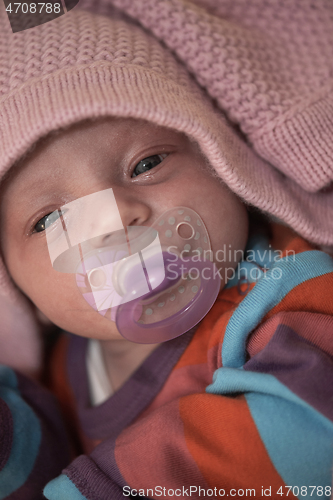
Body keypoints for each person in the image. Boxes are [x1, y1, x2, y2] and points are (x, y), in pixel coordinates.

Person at [0, 0, 332, 498]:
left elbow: (312, 429)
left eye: (146, 163)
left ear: (224, 163)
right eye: (51, 220)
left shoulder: (286, 289)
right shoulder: (65, 366)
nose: (115, 221)